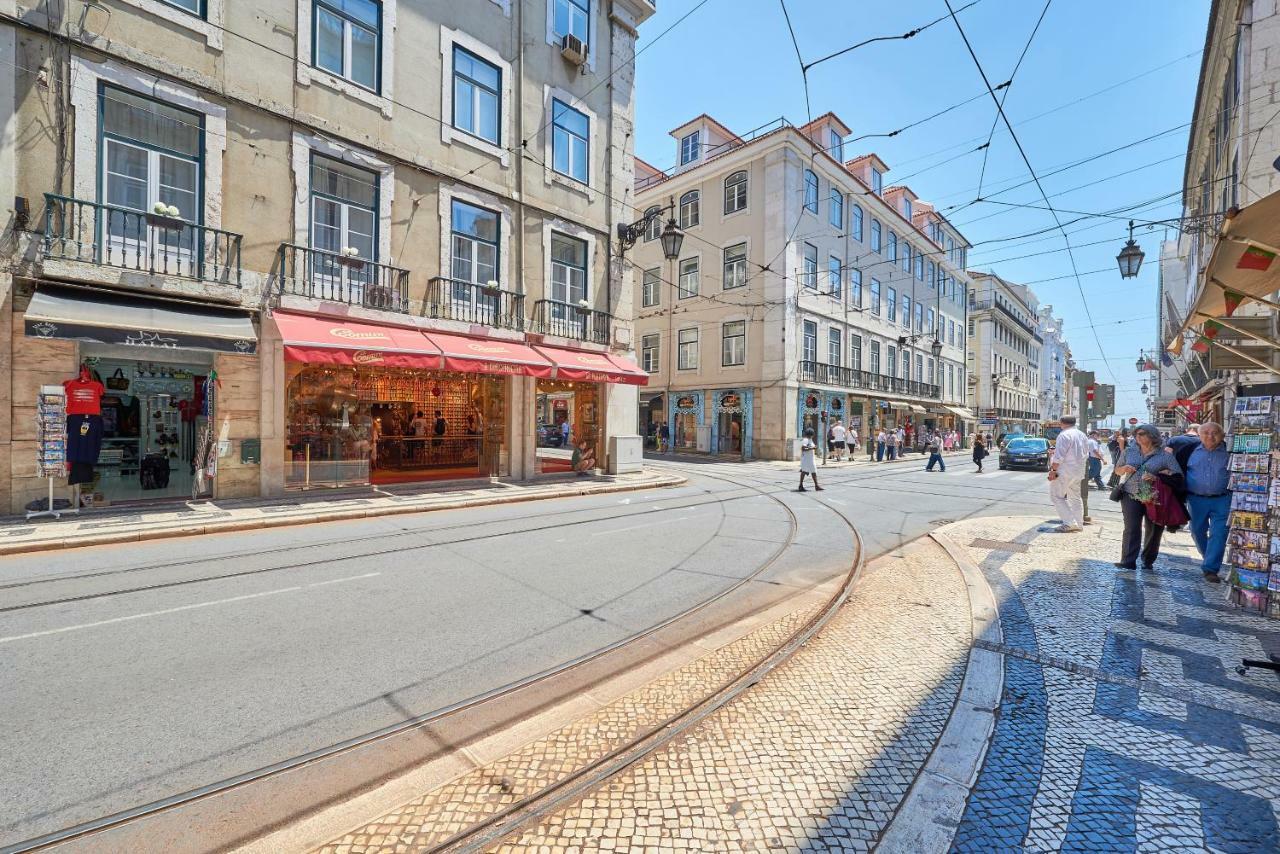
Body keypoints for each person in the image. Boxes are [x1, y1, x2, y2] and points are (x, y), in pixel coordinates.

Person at [1114, 423, 1182, 570]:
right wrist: (1124, 468)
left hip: (1154, 497)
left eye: (1142, 433)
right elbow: (1117, 471)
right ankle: (1128, 561)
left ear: (1152, 436)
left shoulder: (1165, 455)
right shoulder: (1129, 451)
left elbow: (1177, 475)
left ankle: (1148, 559)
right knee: (1131, 528)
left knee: (1154, 530)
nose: (1138, 436)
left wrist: (1156, 476)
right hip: (1131, 494)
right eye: (1136, 434)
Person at [1178, 422, 1231, 583]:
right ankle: (1209, 557)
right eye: (1206, 433)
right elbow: (1176, 470)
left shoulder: (1230, 452)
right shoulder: (1189, 451)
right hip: (1196, 499)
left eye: (1215, 433)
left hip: (1223, 498)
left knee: (1219, 533)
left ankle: (1210, 569)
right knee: (1196, 530)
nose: (1210, 436)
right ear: (1199, 435)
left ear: (1222, 435)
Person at [1046, 415, 1088, 533]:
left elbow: (1059, 456)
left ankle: (1069, 523)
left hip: (1065, 470)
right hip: (1078, 470)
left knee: (1056, 496)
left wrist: (1053, 471)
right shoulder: (1082, 435)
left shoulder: (1064, 435)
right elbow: (1086, 453)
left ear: (1062, 423)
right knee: (1075, 497)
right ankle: (1079, 524)